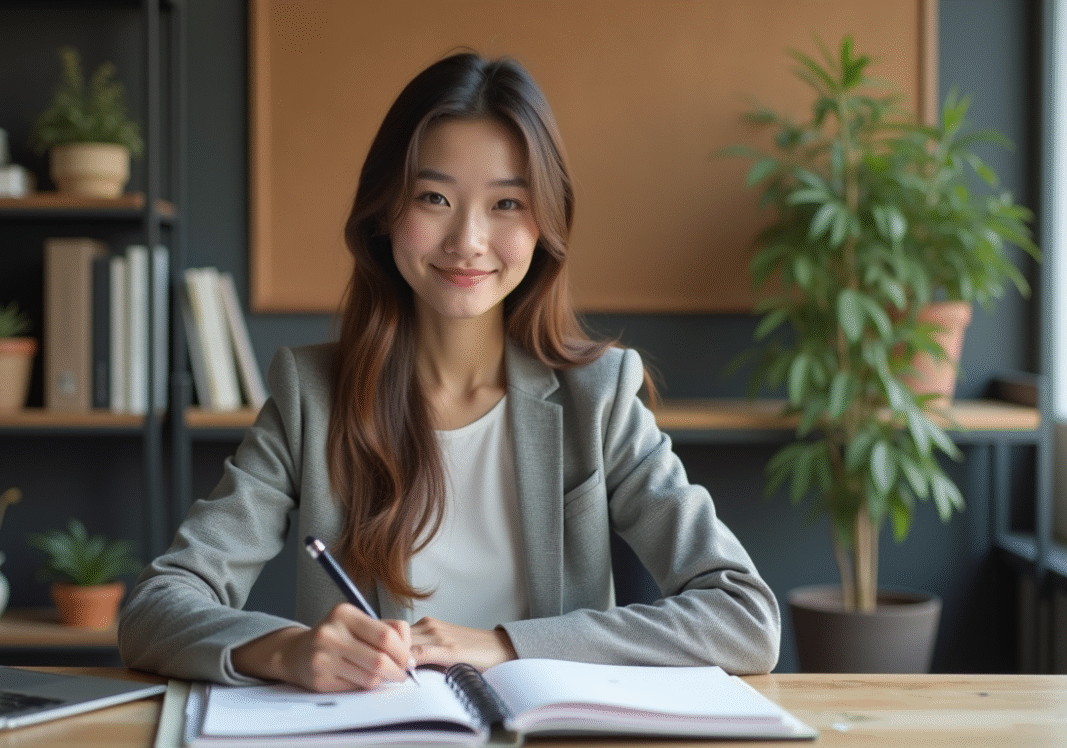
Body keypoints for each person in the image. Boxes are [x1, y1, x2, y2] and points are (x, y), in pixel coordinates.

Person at [118, 51, 779, 692]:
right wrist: (287, 650)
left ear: (546, 224)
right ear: (384, 212)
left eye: (506, 204)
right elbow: (155, 608)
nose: (467, 240)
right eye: (434, 198)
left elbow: (745, 618)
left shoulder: (597, 397)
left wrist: (503, 644)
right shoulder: (312, 396)